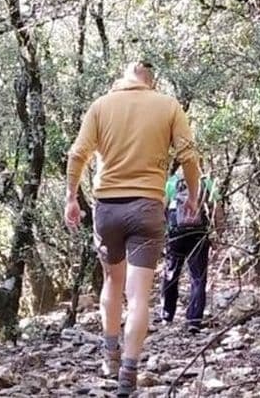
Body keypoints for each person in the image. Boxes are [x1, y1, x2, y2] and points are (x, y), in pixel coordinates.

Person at [64, 62, 200, 397]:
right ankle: (129, 369)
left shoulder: (101, 106)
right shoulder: (168, 106)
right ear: (151, 82)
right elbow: (189, 155)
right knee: (138, 294)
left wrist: (71, 197)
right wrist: (193, 197)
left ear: (123, 78)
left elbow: (77, 153)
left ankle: (110, 354)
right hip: (148, 207)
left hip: (107, 207)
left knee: (112, 280)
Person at [158, 164, 223, 333]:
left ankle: (167, 315)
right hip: (199, 234)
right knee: (198, 277)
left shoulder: (172, 182)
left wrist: (162, 234)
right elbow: (217, 209)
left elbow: (161, 209)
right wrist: (218, 233)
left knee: (171, 274)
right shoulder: (206, 182)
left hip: (176, 235)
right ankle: (194, 320)